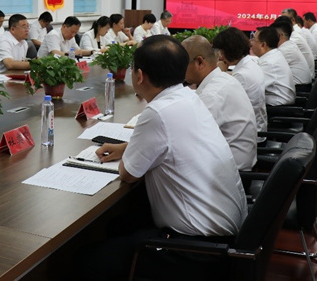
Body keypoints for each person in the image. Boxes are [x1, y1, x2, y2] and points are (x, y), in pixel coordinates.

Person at [87, 36, 247, 280]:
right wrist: (128, 147)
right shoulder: (187, 97)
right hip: (223, 235)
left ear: (139, 76)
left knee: (90, 260)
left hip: (196, 249)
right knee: (119, 225)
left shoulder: (157, 111)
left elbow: (128, 174)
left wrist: (131, 151)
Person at [182, 35, 257, 171]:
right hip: (235, 161)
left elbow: (191, 142)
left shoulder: (211, 95)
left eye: (182, 64)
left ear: (199, 62)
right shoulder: (224, 78)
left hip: (232, 172)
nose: (179, 70)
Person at [212, 27, 268, 136]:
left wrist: (219, 72)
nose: (220, 58)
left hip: (248, 134)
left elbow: (220, 99)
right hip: (256, 125)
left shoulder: (241, 75)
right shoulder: (252, 62)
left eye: (221, 52)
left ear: (229, 51)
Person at [251, 26, 295, 106]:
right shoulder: (273, 55)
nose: (251, 43)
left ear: (263, 45)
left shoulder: (270, 63)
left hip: (277, 109)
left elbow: (251, 87)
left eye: (253, 40)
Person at [272, 18, 312, 85]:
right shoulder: (289, 44)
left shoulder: (286, 49)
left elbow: (270, 65)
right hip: (302, 84)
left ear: (279, 36)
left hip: (299, 88)